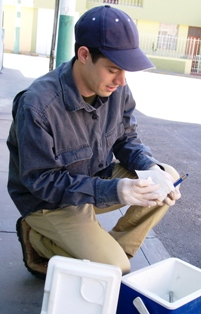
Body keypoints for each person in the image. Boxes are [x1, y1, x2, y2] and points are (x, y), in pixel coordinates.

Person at [7, 5, 181, 279]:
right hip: (49, 202)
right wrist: (116, 190)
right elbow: (41, 181)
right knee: (116, 269)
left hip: (93, 180)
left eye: (125, 71)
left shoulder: (116, 88)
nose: (122, 81)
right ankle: (38, 240)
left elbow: (126, 138)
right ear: (84, 55)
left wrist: (150, 167)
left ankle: (110, 255)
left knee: (165, 176)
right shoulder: (37, 105)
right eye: (113, 69)